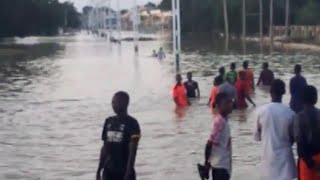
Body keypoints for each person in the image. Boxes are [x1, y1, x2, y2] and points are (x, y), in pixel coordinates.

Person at [254, 79, 297, 180]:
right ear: (284, 92)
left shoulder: (260, 112)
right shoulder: (290, 113)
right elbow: (293, 138)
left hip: (267, 160)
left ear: (270, 91)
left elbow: (257, 137)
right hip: (285, 160)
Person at [96, 91, 141, 180]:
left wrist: (129, 172)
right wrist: (99, 170)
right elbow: (105, 148)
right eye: (112, 102)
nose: (112, 104)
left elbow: (133, 151)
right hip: (108, 171)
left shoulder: (132, 123)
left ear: (124, 103)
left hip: (124, 171)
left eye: (115, 102)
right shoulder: (108, 121)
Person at [203, 93, 234, 180]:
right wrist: (206, 164)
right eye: (226, 103)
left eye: (230, 102)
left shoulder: (224, 120)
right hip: (220, 166)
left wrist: (208, 164)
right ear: (218, 106)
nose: (230, 105)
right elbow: (209, 144)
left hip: (223, 165)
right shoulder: (219, 121)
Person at [294, 85, 320, 180]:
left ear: (301, 100)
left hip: (307, 161)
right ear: (316, 99)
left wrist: (309, 162)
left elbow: (300, 142)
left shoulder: (299, 117)